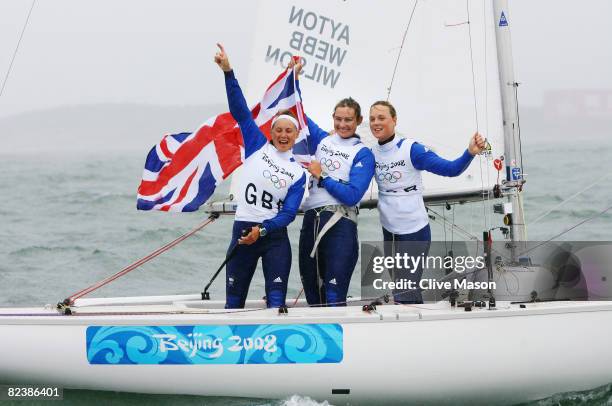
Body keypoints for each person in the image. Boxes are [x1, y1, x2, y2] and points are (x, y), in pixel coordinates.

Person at [214, 44, 307, 309]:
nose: (284, 135)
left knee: (276, 301)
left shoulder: (298, 172)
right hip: (243, 230)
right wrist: (228, 72)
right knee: (234, 301)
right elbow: (241, 111)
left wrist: (263, 230)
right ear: (272, 131)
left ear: (296, 136)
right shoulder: (256, 144)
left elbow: (289, 214)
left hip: (274, 238)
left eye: (289, 131)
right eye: (279, 130)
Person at [369, 100, 487, 304]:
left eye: (381, 118)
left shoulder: (411, 149)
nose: (376, 123)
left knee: (404, 290)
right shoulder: (371, 153)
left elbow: (451, 169)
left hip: (414, 231)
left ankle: (413, 329)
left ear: (394, 120)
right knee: (401, 287)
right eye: (372, 119)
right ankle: (412, 325)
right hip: (389, 230)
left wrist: (469, 152)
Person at [294, 64, 375, 306]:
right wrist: (293, 78)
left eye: (348, 120)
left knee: (333, 296)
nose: (342, 125)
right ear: (333, 118)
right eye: (338, 119)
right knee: (312, 294)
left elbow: (352, 196)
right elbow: (296, 112)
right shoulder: (322, 140)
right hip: (311, 221)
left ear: (358, 121)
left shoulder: (363, 154)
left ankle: (339, 338)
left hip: (340, 225)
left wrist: (322, 177)